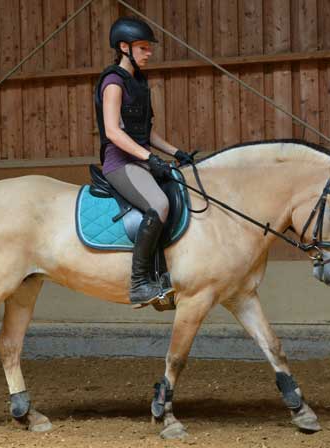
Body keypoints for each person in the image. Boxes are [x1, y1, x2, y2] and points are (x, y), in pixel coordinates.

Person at [94, 17, 192, 307]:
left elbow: (145, 132)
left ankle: (163, 275)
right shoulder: (113, 82)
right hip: (119, 163)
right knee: (159, 205)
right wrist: (149, 157)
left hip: (139, 158)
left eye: (149, 48)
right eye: (143, 48)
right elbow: (113, 131)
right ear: (124, 47)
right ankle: (139, 284)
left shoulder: (138, 82)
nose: (149, 53)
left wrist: (176, 152)